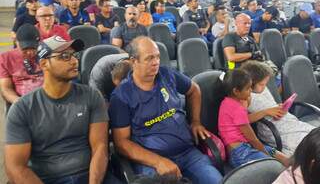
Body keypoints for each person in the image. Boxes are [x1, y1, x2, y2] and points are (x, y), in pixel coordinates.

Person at [5, 35, 124, 184]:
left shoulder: (92, 97)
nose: (74, 61)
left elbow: (100, 147)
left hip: (91, 174)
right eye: (65, 56)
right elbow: (15, 167)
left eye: (75, 55)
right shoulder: (22, 109)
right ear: (43, 64)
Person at [108, 36, 223, 184]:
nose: (156, 62)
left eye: (157, 57)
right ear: (133, 61)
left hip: (188, 153)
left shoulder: (167, 74)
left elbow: (194, 90)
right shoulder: (122, 95)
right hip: (151, 161)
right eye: (149, 58)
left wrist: (195, 121)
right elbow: (121, 143)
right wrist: (158, 162)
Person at [240, 60, 315, 155]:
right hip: (271, 128)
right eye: (262, 84)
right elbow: (243, 120)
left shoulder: (262, 88)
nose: (264, 87)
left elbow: (268, 104)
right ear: (250, 83)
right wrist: (266, 112)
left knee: (313, 135)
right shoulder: (245, 96)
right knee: (307, 145)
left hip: (284, 120)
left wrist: (279, 107)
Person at [218, 69, 289, 168]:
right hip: (240, 153)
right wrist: (268, 156)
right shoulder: (237, 109)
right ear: (236, 91)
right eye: (248, 88)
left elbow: (244, 121)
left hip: (246, 147)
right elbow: (253, 139)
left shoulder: (227, 102)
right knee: (276, 166)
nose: (251, 91)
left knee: (283, 158)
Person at [0, 24, 43, 104]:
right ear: (16, 42)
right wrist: (19, 102)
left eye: (33, 48)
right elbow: (6, 88)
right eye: (25, 49)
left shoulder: (46, 53)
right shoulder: (6, 58)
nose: (30, 52)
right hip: (20, 101)